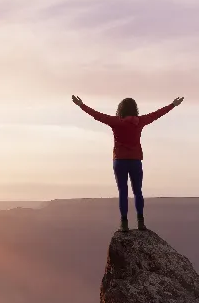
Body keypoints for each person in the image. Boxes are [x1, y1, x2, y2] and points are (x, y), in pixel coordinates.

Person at [72, 95, 184, 232]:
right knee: (138, 192)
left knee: (123, 192)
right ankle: (140, 222)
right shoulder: (140, 121)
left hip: (119, 161)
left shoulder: (116, 122)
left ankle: (124, 224)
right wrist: (172, 105)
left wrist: (81, 105)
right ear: (135, 109)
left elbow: (97, 115)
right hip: (135, 161)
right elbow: (156, 115)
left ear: (121, 109)